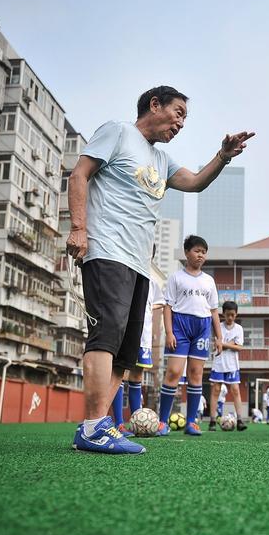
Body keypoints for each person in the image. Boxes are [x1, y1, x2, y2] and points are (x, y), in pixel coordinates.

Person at [66, 85, 253, 454]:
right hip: (106, 250)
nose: (181, 123)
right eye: (179, 113)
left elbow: (196, 183)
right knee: (106, 334)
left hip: (138, 264)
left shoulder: (162, 160)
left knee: (124, 349)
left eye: (185, 118)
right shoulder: (119, 132)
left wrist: (224, 156)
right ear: (155, 105)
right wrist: (78, 228)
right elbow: (79, 175)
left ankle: (100, 425)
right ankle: (91, 427)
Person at [156, 235, 222, 436]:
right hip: (180, 326)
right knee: (174, 373)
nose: (200, 254)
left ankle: (191, 422)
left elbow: (213, 311)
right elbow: (167, 306)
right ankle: (162, 422)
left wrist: (219, 337)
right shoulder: (176, 277)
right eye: (196, 250)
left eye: (203, 251)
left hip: (202, 327)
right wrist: (169, 332)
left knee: (196, 374)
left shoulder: (209, 280)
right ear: (186, 253)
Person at [116, 278, 165, 436]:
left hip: (144, 334)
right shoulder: (125, 273)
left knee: (137, 374)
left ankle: (138, 423)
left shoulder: (151, 282)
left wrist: (148, 306)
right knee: (120, 373)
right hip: (125, 330)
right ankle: (118, 424)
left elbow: (160, 301)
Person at [208, 301, 248, 431]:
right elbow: (216, 345)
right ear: (223, 314)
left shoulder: (239, 329)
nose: (230, 317)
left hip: (232, 365)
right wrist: (230, 343)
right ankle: (212, 420)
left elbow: (239, 347)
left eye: (232, 315)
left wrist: (224, 344)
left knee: (235, 390)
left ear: (236, 314)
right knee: (215, 390)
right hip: (219, 363)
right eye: (227, 315)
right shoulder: (218, 326)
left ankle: (240, 420)